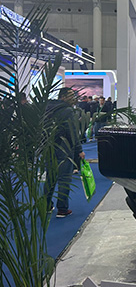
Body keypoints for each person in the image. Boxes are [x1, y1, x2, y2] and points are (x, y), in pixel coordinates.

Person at [45, 87, 85, 217]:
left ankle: (46, 206)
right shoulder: (67, 111)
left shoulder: (47, 108)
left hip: (49, 147)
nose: (73, 98)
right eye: (70, 95)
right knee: (64, 179)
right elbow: (72, 131)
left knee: (50, 179)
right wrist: (79, 150)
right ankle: (62, 209)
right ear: (62, 97)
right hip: (64, 148)